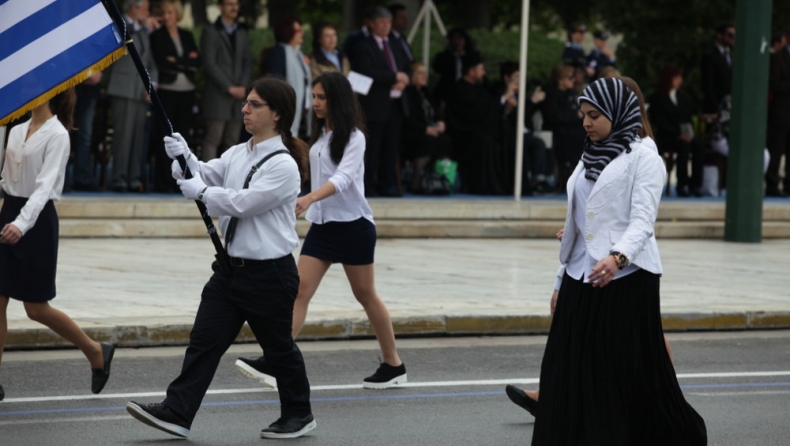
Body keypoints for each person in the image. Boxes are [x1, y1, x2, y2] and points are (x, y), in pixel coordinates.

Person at [125, 77, 315, 440]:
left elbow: (245, 203)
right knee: (204, 341)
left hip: (269, 274)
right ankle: (177, 410)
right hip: (229, 271)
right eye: (246, 102)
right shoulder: (239, 152)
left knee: (279, 350)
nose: (245, 108)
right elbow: (203, 174)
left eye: (255, 104)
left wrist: (202, 190)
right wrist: (183, 156)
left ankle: (299, 413)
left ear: (276, 114)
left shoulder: (284, 165)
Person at [530, 77, 707, 445]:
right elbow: (582, 219)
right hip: (582, 273)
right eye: (583, 115)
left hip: (625, 279)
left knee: (614, 375)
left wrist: (617, 257)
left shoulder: (645, 156)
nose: (586, 123)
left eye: (594, 115)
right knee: (561, 369)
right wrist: (560, 281)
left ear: (616, 112)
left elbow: (643, 221)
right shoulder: (587, 153)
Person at [236, 72, 407, 389]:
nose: (314, 102)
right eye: (313, 96)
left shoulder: (355, 137)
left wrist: (310, 197)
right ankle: (277, 358)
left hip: (354, 226)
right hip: (323, 227)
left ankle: (393, 364)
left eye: (321, 97)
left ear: (337, 100)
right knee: (298, 291)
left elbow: (343, 179)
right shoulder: (322, 136)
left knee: (365, 295)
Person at [0, 89, 115, 402]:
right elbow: (7, 180)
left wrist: (20, 224)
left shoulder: (58, 135)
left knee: (36, 309)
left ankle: (95, 351)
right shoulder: (14, 129)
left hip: (35, 223)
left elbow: (43, 188)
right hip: (8, 213)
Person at [349, 6, 411, 197]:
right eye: (382, 23)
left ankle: (388, 184)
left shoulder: (395, 43)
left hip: (396, 103)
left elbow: (406, 66)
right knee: (372, 147)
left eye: (388, 23)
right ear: (373, 25)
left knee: (391, 147)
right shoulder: (363, 45)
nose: (386, 27)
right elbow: (366, 70)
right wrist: (394, 77)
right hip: (375, 104)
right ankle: (368, 185)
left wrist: (404, 80)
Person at [106, 0, 158, 193]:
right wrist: (139, 27)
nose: (148, 11)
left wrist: (153, 84)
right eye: (145, 7)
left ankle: (134, 179)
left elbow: (150, 60)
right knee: (123, 136)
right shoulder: (119, 23)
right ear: (134, 8)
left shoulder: (143, 30)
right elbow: (122, 43)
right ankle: (119, 179)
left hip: (140, 91)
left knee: (137, 138)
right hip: (123, 88)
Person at [150, 0, 200, 193]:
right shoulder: (157, 36)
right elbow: (162, 62)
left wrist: (178, 61)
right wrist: (186, 61)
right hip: (168, 90)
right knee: (167, 138)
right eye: (164, 13)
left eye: (170, 12)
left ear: (176, 14)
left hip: (187, 90)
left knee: (183, 138)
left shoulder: (186, 35)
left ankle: (181, 181)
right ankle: (163, 182)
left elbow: (197, 62)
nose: (167, 16)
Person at [446, 52, 506, 195]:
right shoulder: (458, 89)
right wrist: (500, 101)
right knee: (485, 140)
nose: (483, 73)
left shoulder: (481, 87)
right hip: (464, 134)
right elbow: (474, 113)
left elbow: (487, 107)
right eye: (481, 70)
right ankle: (483, 186)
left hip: (481, 130)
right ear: (471, 71)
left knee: (505, 135)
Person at [200, 0, 252, 161]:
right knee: (213, 138)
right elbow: (209, 63)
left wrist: (243, 85)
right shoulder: (210, 31)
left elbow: (248, 61)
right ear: (220, 7)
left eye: (236, 3)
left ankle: (229, 179)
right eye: (229, 4)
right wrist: (229, 87)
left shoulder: (242, 32)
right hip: (218, 94)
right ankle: (207, 180)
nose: (234, 7)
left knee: (233, 140)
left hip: (238, 97)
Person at [649, 65, 705, 197]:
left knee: (698, 146)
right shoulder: (657, 98)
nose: (680, 80)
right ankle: (682, 184)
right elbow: (659, 121)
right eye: (676, 77)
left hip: (683, 135)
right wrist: (677, 134)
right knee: (683, 146)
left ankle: (696, 184)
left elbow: (688, 118)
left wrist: (688, 133)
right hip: (667, 137)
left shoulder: (683, 98)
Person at [402, 62, 452, 193]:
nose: (424, 76)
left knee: (446, 140)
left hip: (430, 130)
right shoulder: (406, 93)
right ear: (412, 75)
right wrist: (425, 129)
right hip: (412, 132)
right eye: (420, 72)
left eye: (425, 73)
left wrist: (440, 122)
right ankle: (416, 180)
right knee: (426, 142)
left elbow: (436, 112)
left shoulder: (426, 92)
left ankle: (439, 181)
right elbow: (407, 118)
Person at [263, 17, 311, 138]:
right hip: (285, 110)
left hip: (301, 110)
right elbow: (274, 84)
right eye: (298, 30)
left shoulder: (298, 54)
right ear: (287, 32)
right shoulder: (278, 54)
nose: (302, 33)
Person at [542, 65, 586, 192]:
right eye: (570, 77)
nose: (573, 80)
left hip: (571, 128)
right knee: (578, 139)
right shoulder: (551, 94)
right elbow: (554, 116)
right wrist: (575, 115)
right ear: (561, 80)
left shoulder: (569, 94)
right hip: (558, 130)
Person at [766, 25, 790, 197]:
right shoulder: (777, 57)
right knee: (776, 149)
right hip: (781, 112)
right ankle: (772, 185)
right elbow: (773, 84)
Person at [68, 72, 103, 191]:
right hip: (67, 85)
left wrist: (100, 74)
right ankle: (61, 179)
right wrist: (86, 73)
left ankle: (82, 179)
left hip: (90, 88)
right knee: (64, 133)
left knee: (85, 136)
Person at [432, 28, 477, 111]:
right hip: (448, 92)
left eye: (459, 38)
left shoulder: (471, 57)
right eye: (454, 39)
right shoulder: (444, 57)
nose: (456, 42)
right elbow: (437, 67)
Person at [701, 22, 735, 115]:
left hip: (731, 106)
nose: (733, 38)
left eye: (734, 35)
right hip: (716, 107)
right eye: (730, 35)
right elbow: (707, 84)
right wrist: (715, 107)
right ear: (719, 35)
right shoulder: (709, 56)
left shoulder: (733, 56)